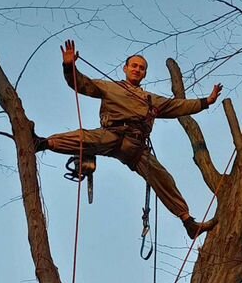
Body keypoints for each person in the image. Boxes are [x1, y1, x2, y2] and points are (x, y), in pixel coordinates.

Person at [35, 40, 222, 239]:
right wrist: (69, 65)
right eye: (134, 66)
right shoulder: (109, 87)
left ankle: (188, 222)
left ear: (145, 74)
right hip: (112, 134)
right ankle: (42, 143)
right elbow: (81, 84)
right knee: (84, 137)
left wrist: (205, 102)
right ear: (125, 68)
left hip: (136, 146)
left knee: (162, 177)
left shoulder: (150, 100)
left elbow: (177, 106)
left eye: (141, 68)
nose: (137, 69)